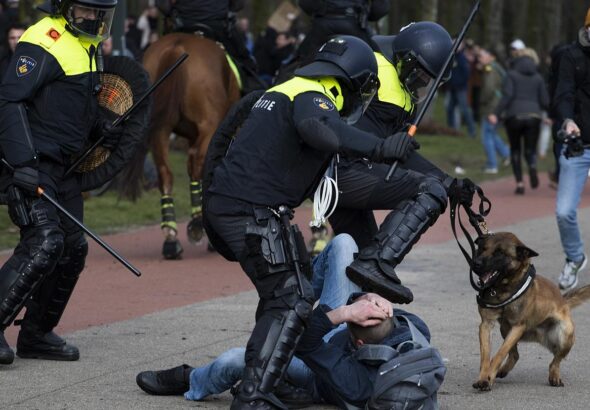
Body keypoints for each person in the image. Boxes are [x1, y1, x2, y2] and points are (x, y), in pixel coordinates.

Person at [203, 35, 420, 409]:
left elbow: (224, 139)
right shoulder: (314, 95)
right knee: (291, 298)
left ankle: (274, 379)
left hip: (240, 206)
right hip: (248, 210)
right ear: (353, 79)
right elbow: (318, 129)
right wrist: (380, 146)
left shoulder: (285, 87)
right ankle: (253, 396)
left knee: (286, 292)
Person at [136, 234, 431, 409]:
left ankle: (192, 379)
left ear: (359, 343)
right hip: (339, 337)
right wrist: (371, 296)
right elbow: (412, 325)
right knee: (343, 243)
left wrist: (343, 313)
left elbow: (303, 344)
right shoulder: (408, 336)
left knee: (235, 360)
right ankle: (294, 295)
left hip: (315, 366)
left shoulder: (355, 382)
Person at [0, 0, 121, 365]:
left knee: (72, 248)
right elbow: (8, 102)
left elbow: (72, 104)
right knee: (44, 240)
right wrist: (23, 164)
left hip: (66, 168)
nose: (95, 17)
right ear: (65, 6)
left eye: (101, 11)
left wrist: (101, 126)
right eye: (87, 9)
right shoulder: (43, 39)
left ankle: (36, 335)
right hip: (33, 163)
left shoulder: (89, 46)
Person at [334, 23, 474, 304]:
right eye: (420, 75)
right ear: (405, 59)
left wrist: (450, 182)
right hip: (341, 170)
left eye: (429, 79)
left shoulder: (402, 91)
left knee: (357, 265)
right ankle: (377, 263)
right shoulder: (377, 71)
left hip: (349, 169)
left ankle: (342, 320)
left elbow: (399, 150)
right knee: (428, 190)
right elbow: (383, 146)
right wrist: (440, 184)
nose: (422, 84)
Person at [553, 8, 590, 291]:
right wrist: (568, 121)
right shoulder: (571, 56)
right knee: (565, 211)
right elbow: (562, 93)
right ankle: (575, 258)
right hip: (578, 145)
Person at [156, 0, 261, 92]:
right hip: (217, 26)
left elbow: (163, 6)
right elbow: (238, 5)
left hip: (183, 25)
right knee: (246, 64)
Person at [490, 47, 549, 195]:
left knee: (515, 149)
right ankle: (533, 165)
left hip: (514, 116)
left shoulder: (511, 75)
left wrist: (495, 113)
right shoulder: (538, 77)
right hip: (534, 116)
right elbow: (544, 100)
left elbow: (507, 96)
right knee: (530, 149)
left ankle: (520, 183)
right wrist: (549, 115)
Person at [295, 0, 390, 65]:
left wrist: (321, 11)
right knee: (376, 60)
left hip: (322, 27)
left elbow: (306, 3)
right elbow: (380, 9)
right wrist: (366, 16)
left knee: (301, 60)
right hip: (355, 26)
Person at [478, 48, 510, 174]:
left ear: (491, 57)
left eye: (482, 56)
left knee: (487, 136)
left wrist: (481, 100)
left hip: (491, 107)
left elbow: (489, 89)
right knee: (492, 134)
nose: (479, 58)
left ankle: (492, 165)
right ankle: (508, 154)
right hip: (496, 106)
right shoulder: (495, 68)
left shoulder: (490, 69)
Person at [445, 42, 476, 137]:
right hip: (452, 88)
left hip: (460, 89)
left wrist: (459, 83)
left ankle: (472, 131)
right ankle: (451, 130)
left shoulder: (462, 58)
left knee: (465, 110)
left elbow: (466, 73)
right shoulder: (451, 57)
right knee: (449, 109)